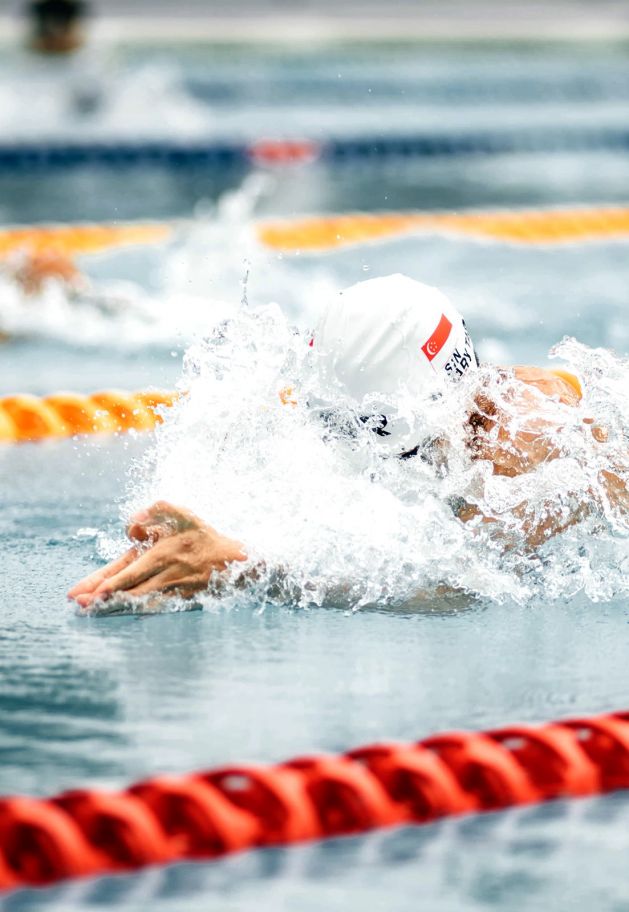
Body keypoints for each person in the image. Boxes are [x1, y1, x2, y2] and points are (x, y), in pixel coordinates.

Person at [68, 274, 625, 611]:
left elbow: (451, 584)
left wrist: (247, 565)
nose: (369, 456)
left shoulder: (525, 439)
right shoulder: (436, 413)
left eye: (391, 443)